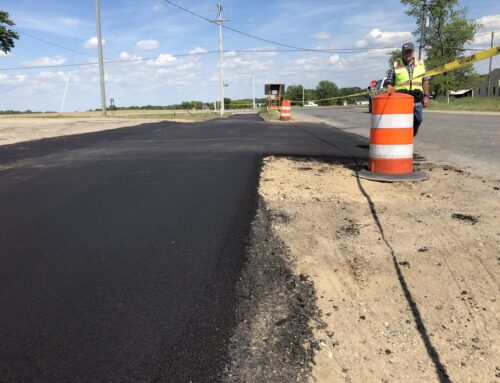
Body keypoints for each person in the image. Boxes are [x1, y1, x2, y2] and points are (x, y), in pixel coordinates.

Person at [386, 42, 431, 136]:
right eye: (405, 52)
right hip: (401, 100)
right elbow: (390, 84)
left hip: (417, 99)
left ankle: (410, 136)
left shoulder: (421, 65)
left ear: (414, 52)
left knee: (418, 119)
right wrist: (390, 92)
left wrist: (426, 96)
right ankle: (403, 139)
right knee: (401, 122)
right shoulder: (396, 66)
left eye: (409, 51)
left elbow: (425, 81)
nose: (407, 54)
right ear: (402, 53)